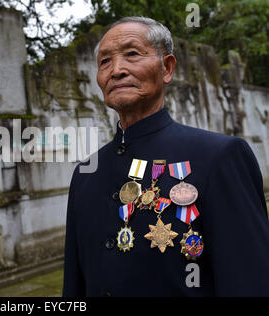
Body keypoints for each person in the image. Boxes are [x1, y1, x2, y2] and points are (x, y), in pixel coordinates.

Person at [63, 16, 269, 297]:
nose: (117, 70)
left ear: (167, 68)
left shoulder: (219, 157)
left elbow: (250, 281)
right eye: (104, 62)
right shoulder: (86, 174)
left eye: (132, 54)